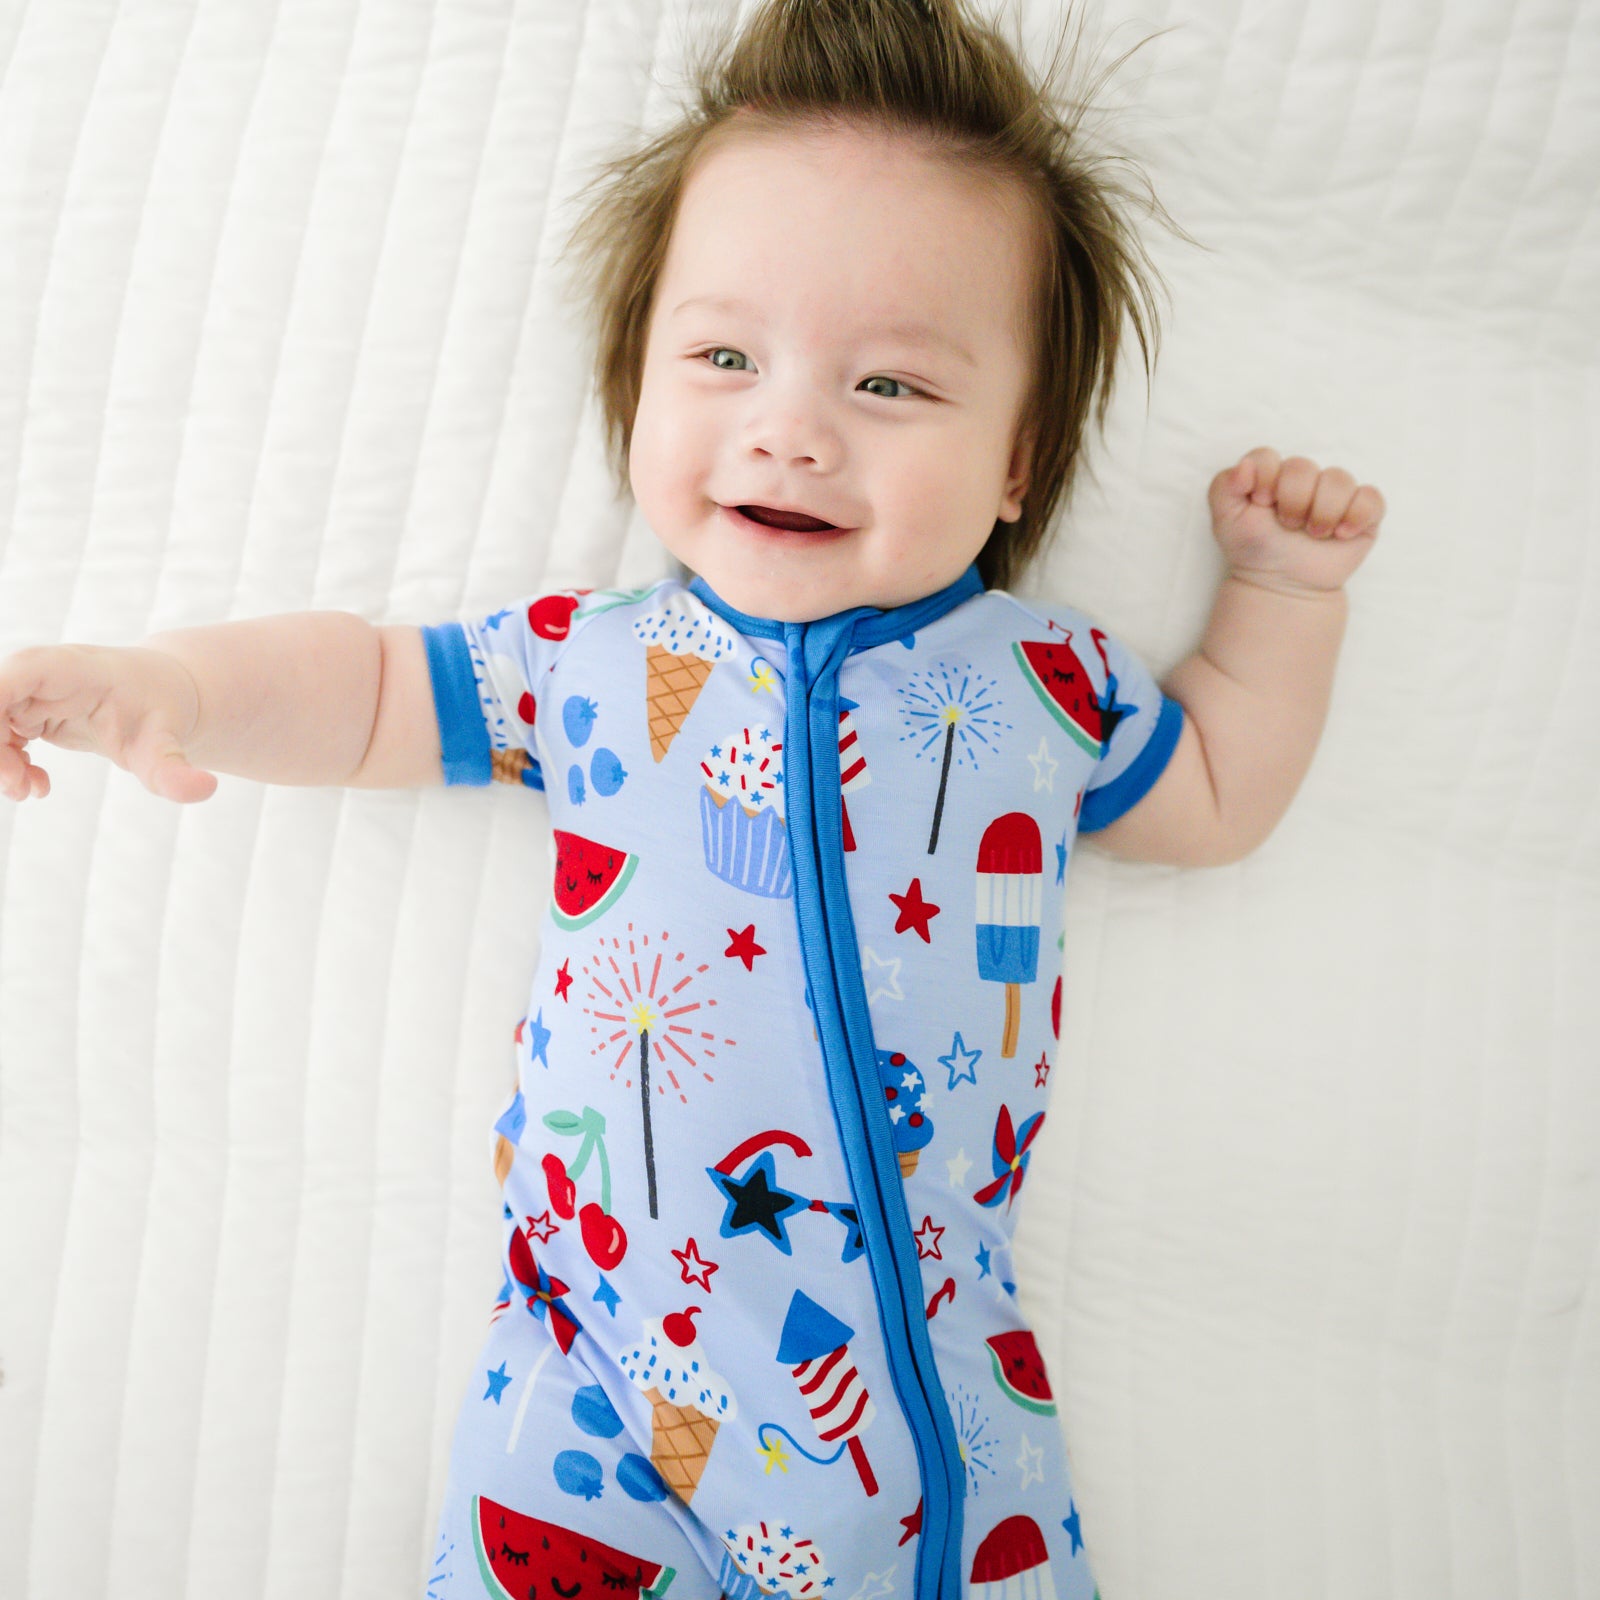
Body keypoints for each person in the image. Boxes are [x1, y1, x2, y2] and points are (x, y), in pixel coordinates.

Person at [0, 1, 1383, 1595]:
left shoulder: (1041, 687)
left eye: (891, 387)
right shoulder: (590, 661)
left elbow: (1210, 793)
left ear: (1017, 466)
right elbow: (373, 686)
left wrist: (1283, 598)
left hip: (939, 1439)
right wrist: (172, 686)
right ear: (639, 384)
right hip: (593, 1403)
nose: (788, 428)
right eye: (723, 358)